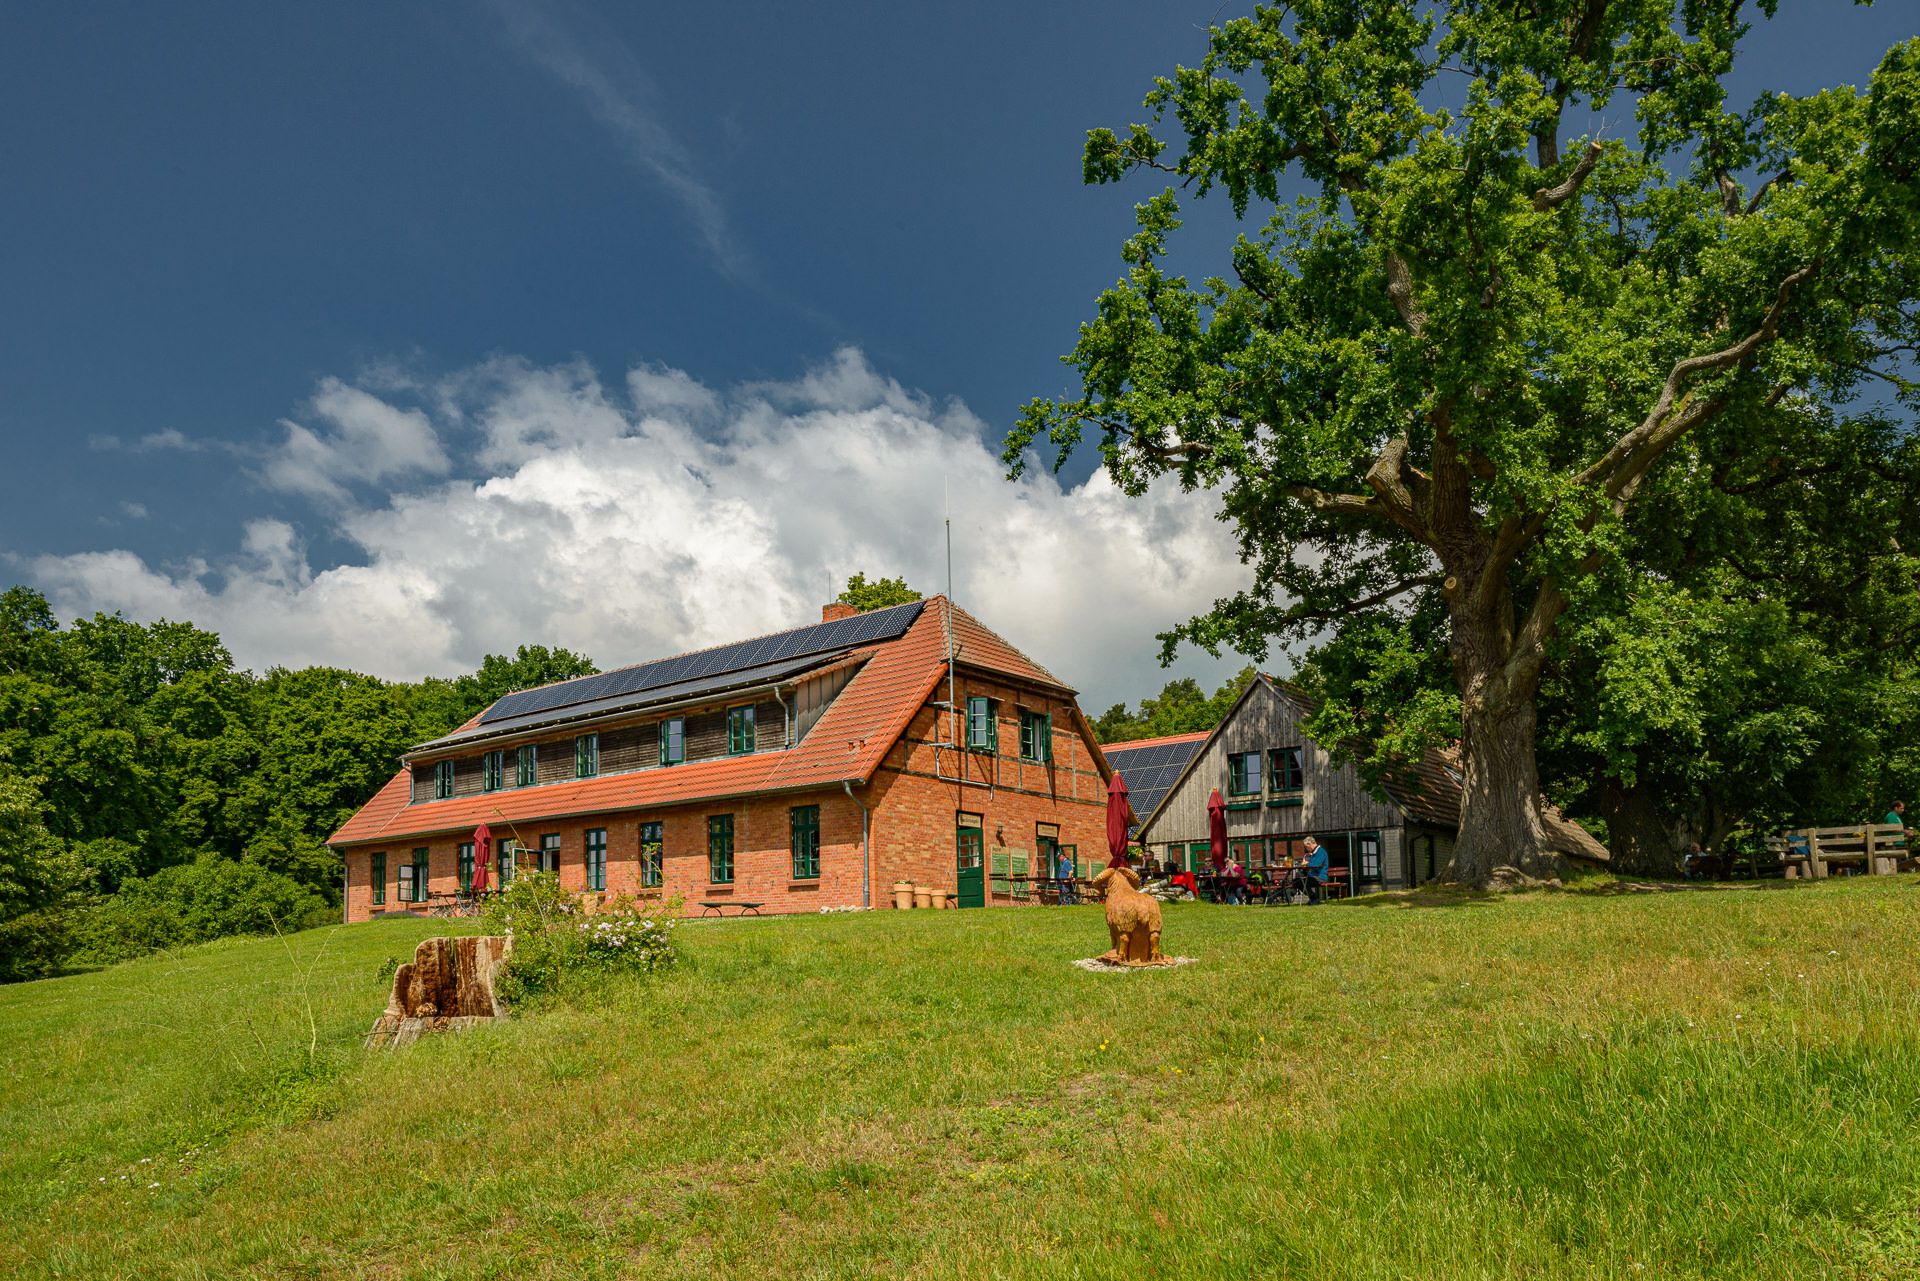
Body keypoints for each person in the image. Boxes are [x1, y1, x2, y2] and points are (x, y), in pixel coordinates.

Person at [1304, 835, 1329, 904]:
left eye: (1306, 846)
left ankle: (1314, 899)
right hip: (1313, 876)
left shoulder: (1321, 852)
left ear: (1310, 844)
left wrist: (1306, 864)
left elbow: (1316, 865)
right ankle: (1314, 898)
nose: (1306, 848)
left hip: (1320, 877)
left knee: (1302, 882)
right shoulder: (1314, 853)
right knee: (1298, 881)